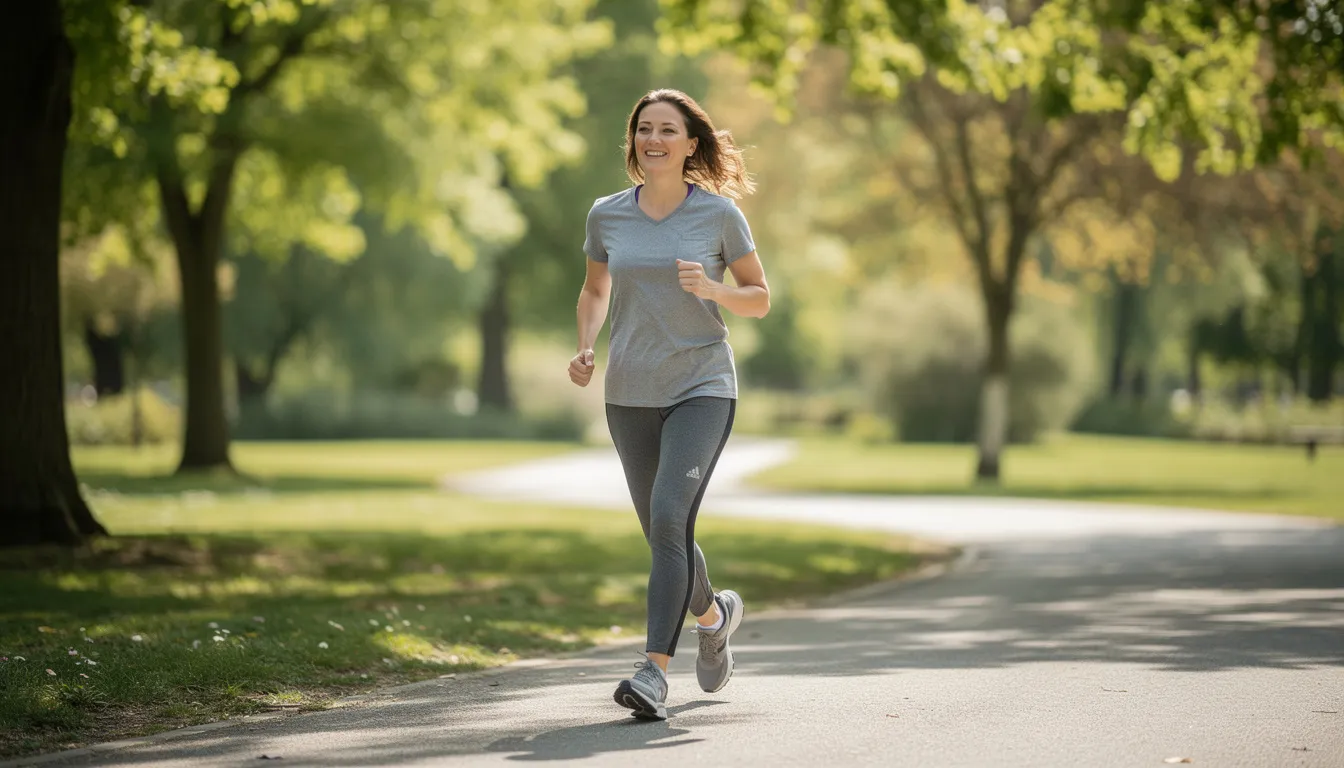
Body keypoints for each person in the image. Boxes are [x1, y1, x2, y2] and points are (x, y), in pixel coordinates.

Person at [568, 88, 771, 721]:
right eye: (643, 129)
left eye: (666, 129)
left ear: (690, 144)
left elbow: (758, 296)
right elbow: (595, 289)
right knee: (665, 532)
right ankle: (715, 616)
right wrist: (584, 346)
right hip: (628, 391)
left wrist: (714, 288)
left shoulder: (717, 216)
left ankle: (653, 672)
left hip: (701, 386)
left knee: (667, 518)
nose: (652, 139)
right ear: (633, 142)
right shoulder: (607, 215)